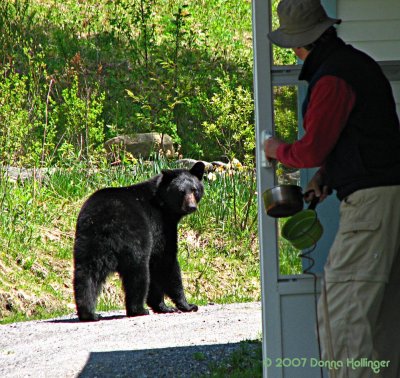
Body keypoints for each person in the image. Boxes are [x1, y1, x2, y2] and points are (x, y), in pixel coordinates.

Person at [264, 0, 400, 377]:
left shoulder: (333, 78)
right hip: (390, 197)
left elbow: (311, 149)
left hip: (370, 208)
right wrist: (328, 177)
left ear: (297, 44)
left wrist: (275, 149)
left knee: (341, 313)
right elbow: (362, 138)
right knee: (384, 320)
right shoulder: (356, 64)